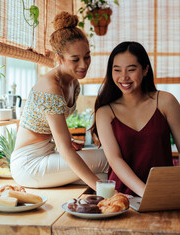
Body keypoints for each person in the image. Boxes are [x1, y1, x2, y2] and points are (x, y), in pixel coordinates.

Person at [10, 11, 108, 190]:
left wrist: (65, 139)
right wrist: (102, 189)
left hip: (48, 154)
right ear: (59, 58)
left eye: (87, 56)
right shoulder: (50, 86)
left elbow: (51, 129)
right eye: (75, 59)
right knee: (106, 160)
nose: (84, 65)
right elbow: (65, 150)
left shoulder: (73, 81)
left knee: (104, 175)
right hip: (29, 164)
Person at [91, 41, 180, 197]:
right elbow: (115, 159)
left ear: (145, 70)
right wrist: (146, 193)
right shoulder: (105, 112)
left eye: (131, 70)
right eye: (117, 70)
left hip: (164, 192)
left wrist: (178, 184)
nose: (124, 77)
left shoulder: (166, 101)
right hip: (122, 197)